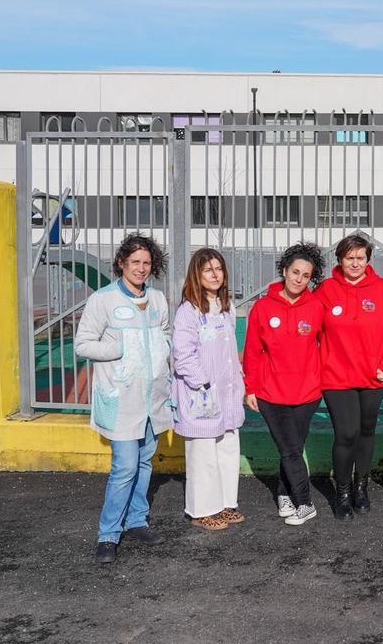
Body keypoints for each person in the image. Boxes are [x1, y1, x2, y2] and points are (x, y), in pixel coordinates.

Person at [75, 233, 172, 564]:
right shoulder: (102, 300)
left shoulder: (157, 299)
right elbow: (83, 343)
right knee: (125, 466)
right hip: (122, 398)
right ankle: (108, 533)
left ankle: (136, 521)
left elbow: (166, 335)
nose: (141, 269)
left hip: (152, 399)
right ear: (121, 263)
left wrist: (164, 352)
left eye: (146, 263)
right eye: (135, 262)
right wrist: (119, 349)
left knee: (145, 462)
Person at [242, 242, 327, 527]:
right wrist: (250, 388)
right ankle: (305, 502)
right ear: (284, 271)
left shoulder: (316, 307)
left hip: (307, 393)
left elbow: (327, 345)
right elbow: (252, 349)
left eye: (305, 275)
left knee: (290, 447)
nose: (299, 279)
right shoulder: (263, 308)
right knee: (290, 449)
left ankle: (283, 492)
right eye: (295, 272)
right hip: (271, 393)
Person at [316, 234, 383, 519]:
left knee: (366, 432)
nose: (354, 263)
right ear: (339, 259)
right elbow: (311, 332)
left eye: (360, 258)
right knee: (346, 433)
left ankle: (361, 486)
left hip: (372, 376)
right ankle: (342, 491)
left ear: (368, 260)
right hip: (336, 376)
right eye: (349, 257)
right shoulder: (325, 290)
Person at [171, 248, 246, 532]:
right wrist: (201, 383)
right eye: (208, 270)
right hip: (201, 394)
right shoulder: (189, 311)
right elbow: (183, 354)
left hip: (226, 393)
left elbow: (229, 352)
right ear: (197, 275)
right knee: (203, 453)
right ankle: (202, 509)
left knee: (227, 448)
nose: (215, 275)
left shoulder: (226, 307)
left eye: (219, 269)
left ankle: (226, 503)